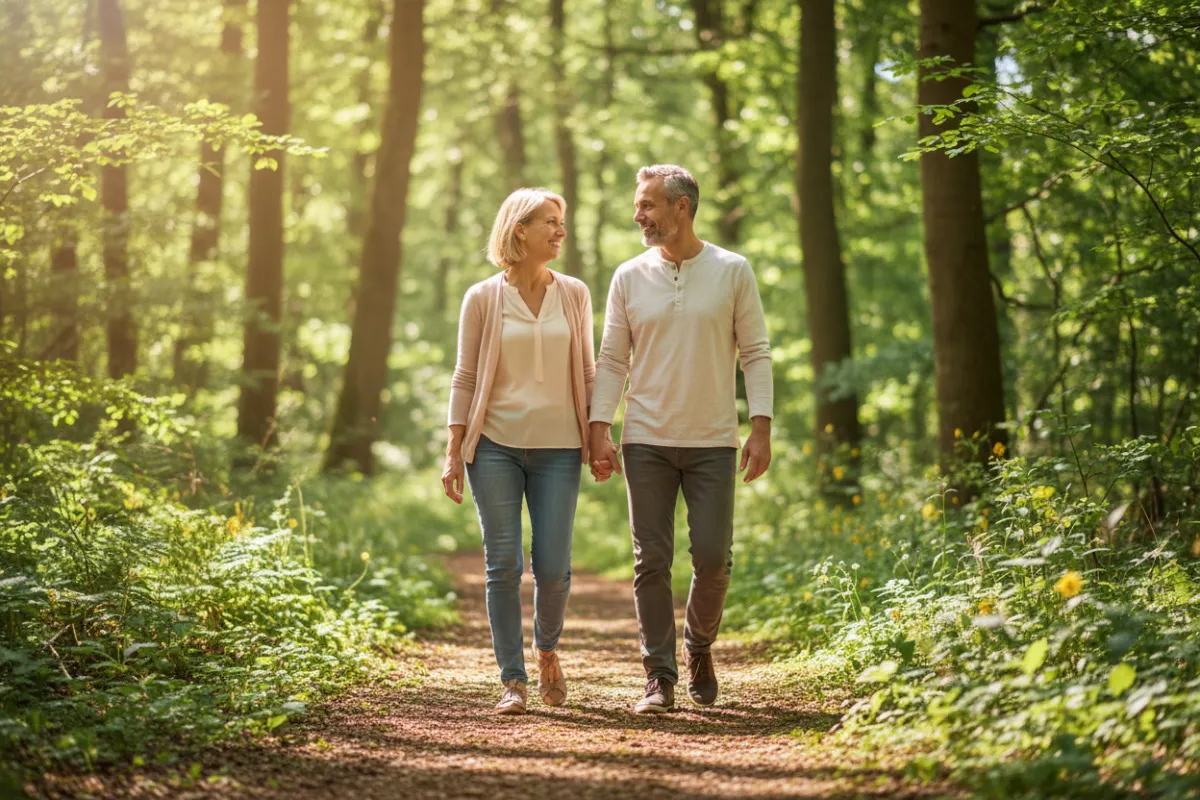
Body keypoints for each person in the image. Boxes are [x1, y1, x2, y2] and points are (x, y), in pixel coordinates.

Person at [589, 164, 773, 714]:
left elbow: (755, 352)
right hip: (645, 436)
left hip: (713, 439)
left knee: (714, 560)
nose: (638, 214)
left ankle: (698, 646)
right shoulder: (628, 276)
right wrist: (601, 428)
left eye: (647, 204)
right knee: (651, 560)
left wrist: (760, 425)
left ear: (681, 207)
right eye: (638, 204)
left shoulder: (733, 270)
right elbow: (612, 359)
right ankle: (658, 676)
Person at [442, 188, 595, 715]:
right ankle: (513, 678)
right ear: (518, 229)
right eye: (549, 222)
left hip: (559, 446)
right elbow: (464, 376)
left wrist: (599, 435)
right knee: (502, 564)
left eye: (562, 221)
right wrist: (453, 446)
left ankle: (547, 648)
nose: (560, 231)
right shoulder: (482, 297)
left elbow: (589, 370)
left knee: (552, 568)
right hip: (494, 447)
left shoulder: (574, 293)